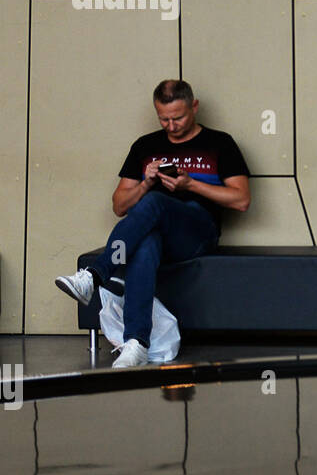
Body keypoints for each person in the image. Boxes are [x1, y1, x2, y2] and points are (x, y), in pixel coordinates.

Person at [54, 80, 251, 367]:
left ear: (194, 107)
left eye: (179, 117)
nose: (171, 126)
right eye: (164, 118)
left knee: (155, 203)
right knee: (145, 242)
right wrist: (147, 182)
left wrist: (190, 184)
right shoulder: (146, 146)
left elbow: (241, 200)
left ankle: (94, 276)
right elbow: (119, 206)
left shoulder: (220, 143)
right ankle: (136, 343)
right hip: (156, 234)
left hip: (197, 232)